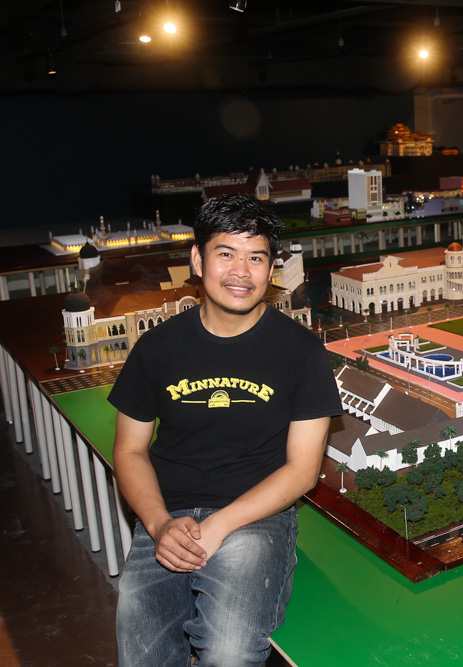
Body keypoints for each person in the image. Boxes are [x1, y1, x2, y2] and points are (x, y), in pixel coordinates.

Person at [110, 195, 341, 666]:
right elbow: (130, 451)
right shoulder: (156, 349)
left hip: (255, 518)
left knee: (229, 653)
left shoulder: (302, 353)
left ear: (271, 268)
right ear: (197, 260)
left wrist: (218, 527)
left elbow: (302, 470)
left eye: (256, 257)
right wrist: (158, 525)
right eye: (226, 253)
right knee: (141, 652)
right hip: (166, 513)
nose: (241, 271)